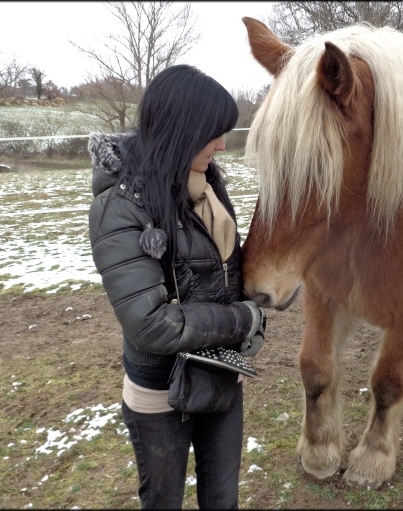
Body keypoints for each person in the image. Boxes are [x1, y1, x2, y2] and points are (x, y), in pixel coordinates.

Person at [87, 64, 267, 509]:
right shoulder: (119, 207)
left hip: (219, 374)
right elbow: (149, 325)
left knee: (222, 499)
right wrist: (241, 320)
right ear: (182, 128)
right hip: (161, 389)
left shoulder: (207, 186)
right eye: (214, 133)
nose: (223, 145)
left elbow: (225, 270)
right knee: (163, 500)